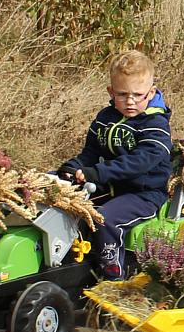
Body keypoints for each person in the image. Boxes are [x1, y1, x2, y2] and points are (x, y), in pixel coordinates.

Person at [59, 49, 173, 280]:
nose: (130, 101)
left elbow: (139, 162)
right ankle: (72, 267)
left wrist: (97, 173)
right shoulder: (105, 118)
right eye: (122, 94)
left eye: (138, 95)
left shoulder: (155, 124)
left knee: (105, 219)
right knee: (63, 203)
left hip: (143, 194)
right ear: (111, 92)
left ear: (151, 92)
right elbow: (91, 153)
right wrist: (72, 168)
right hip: (108, 187)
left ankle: (113, 278)